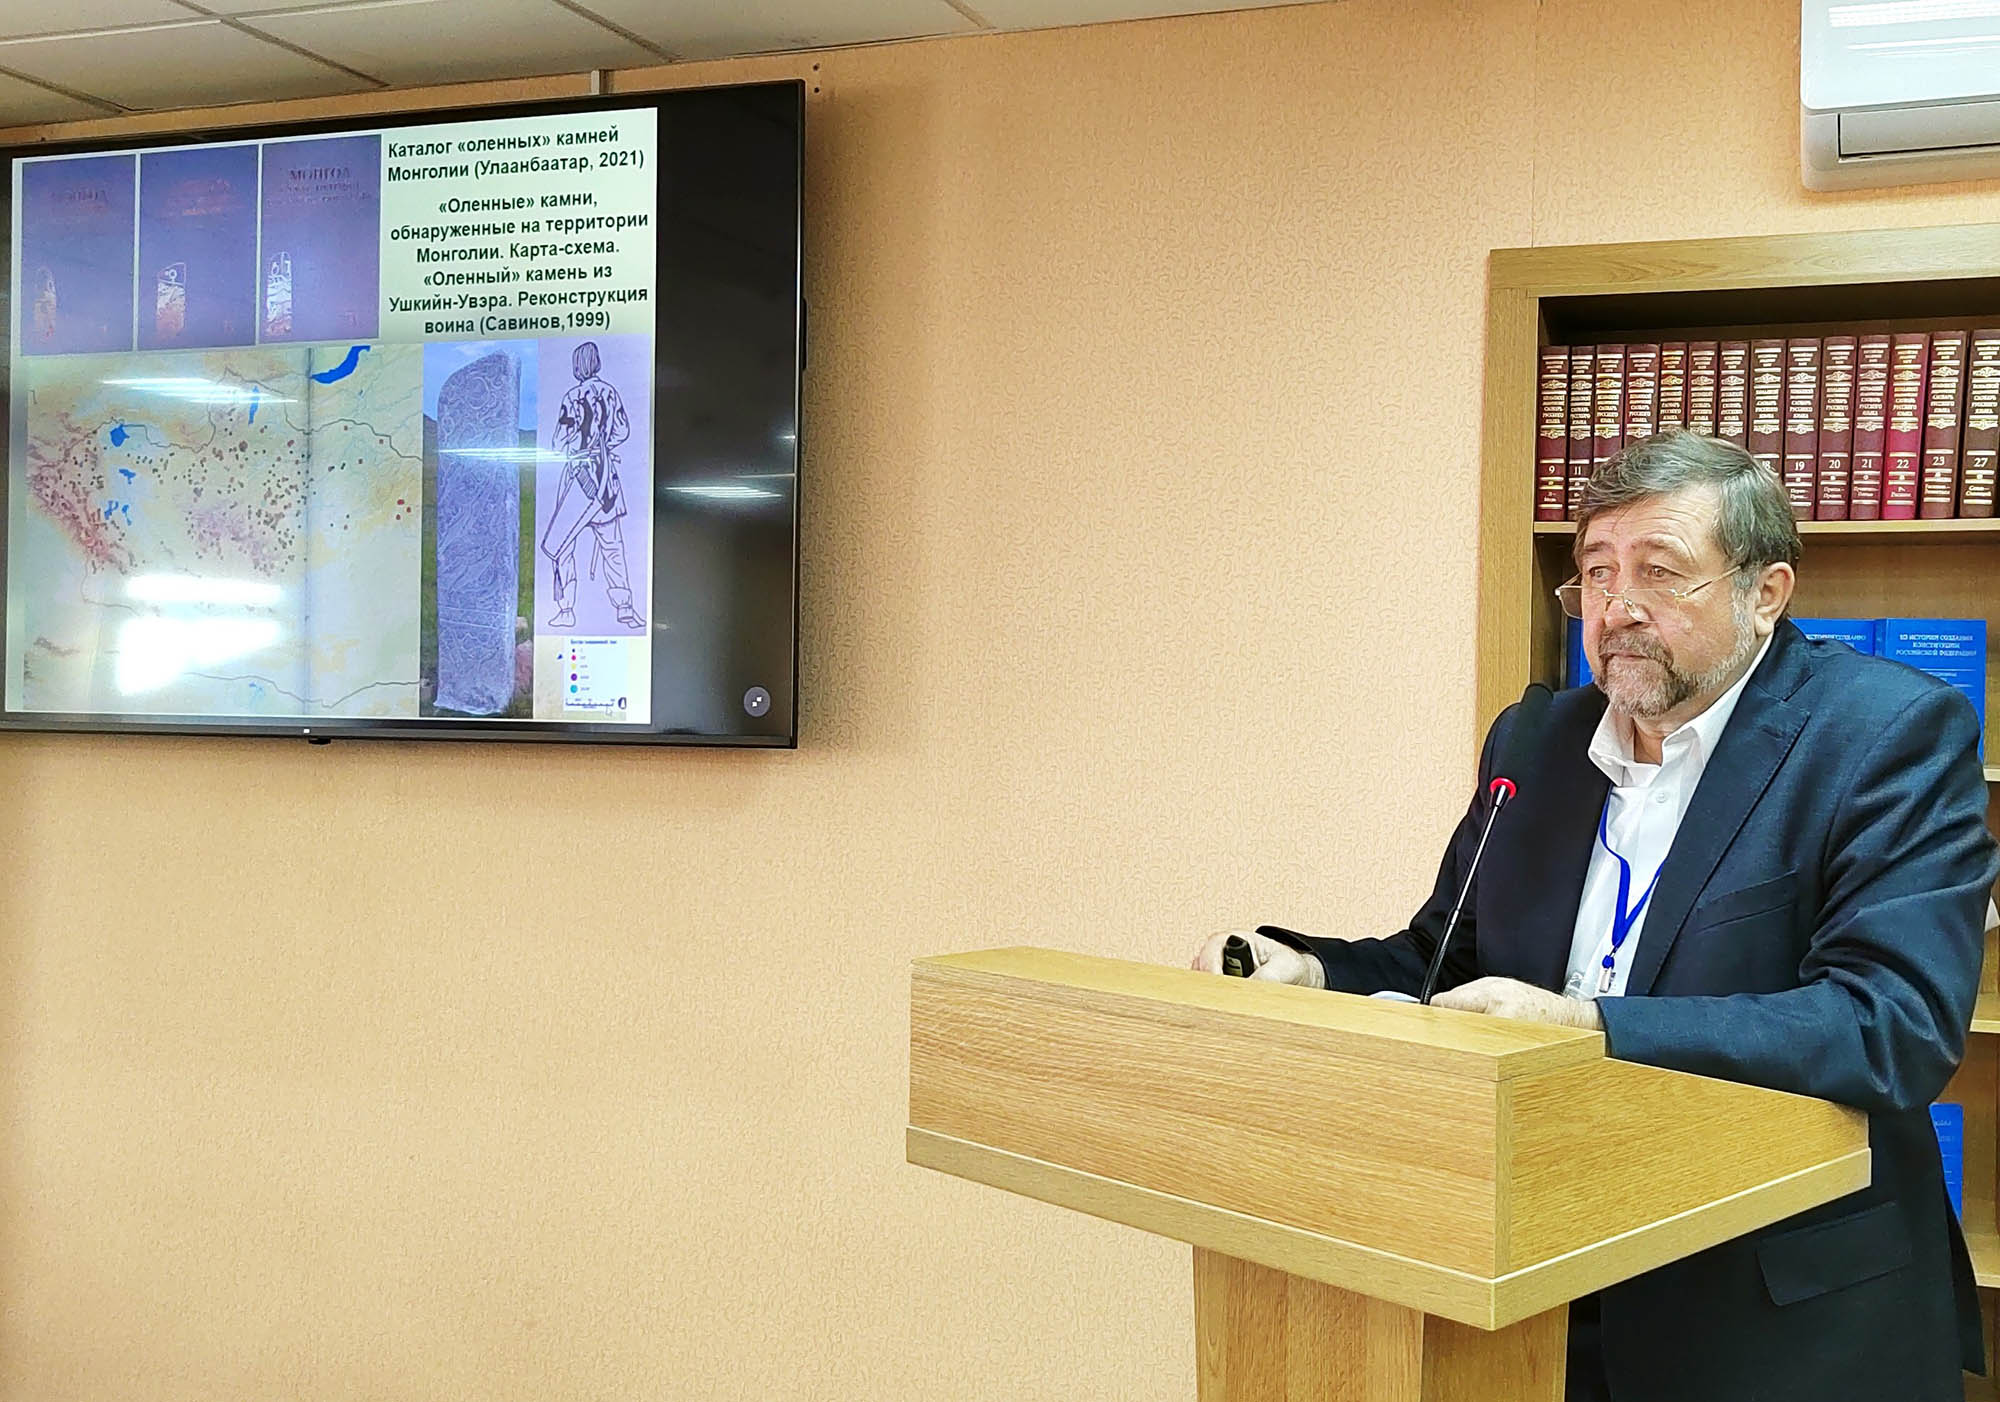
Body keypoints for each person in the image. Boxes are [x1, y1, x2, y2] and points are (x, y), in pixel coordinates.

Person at [1193, 431, 1999, 1402]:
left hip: (1779, 1314)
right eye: (1596, 572)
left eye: (1658, 571)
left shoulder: (1884, 732)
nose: (1617, 607)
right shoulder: (1535, 739)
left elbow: (1890, 1027)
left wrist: (1587, 1025)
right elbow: (1446, 962)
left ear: (1765, 593)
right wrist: (1314, 973)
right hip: (1544, 1281)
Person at [542, 340, 642, 630]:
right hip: (604, 477)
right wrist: (604, 447)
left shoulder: (572, 396)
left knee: (563, 545)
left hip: (577, 475)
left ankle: (566, 611)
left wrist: (576, 446)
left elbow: (558, 442)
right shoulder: (610, 392)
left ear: (577, 365)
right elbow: (622, 431)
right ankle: (624, 608)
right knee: (613, 547)